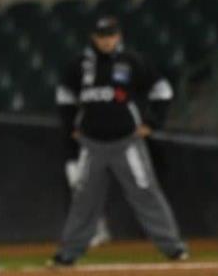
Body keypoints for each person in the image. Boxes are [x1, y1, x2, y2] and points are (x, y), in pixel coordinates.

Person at [50, 16, 188, 266]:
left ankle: (173, 247)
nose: (107, 41)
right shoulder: (79, 65)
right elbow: (64, 95)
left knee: (146, 193)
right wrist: (71, 126)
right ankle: (69, 253)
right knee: (84, 200)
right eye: (102, 36)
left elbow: (163, 90)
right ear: (93, 37)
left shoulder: (133, 61)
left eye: (111, 35)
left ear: (119, 36)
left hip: (127, 143)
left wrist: (153, 122)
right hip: (92, 145)